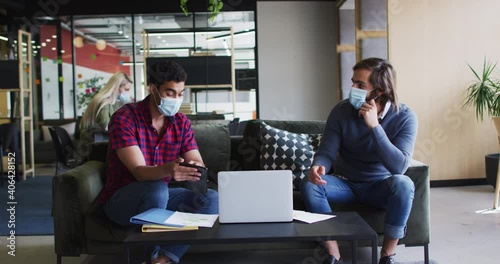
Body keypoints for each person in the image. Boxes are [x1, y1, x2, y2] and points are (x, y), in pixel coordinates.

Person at [97, 59, 218, 264]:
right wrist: (169, 170)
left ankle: (163, 259)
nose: (176, 99)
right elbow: (139, 172)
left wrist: (195, 168)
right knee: (156, 190)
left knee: (211, 199)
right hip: (122, 199)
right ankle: (147, 256)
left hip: (161, 196)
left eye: (180, 94)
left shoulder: (181, 122)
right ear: (152, 89)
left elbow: (196, 159)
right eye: (170, 93)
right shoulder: (124, 118)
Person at [300, 57, 418, 264]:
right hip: (345, 183)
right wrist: (319, 166)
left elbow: (399, 166)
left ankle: (387, 256)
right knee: (310, 184)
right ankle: (333, 255)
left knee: (404, 184)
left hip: (379, 186)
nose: (353, 88)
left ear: (379, 91)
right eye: (353, 82)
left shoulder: (405, 117)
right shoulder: (341, 111)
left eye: (360, 85)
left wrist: (375, 127)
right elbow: (327, 152)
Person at [79, 71, 133, 150]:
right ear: (117, 87)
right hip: (95, 148)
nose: (128, 93)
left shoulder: (104, 100)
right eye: (126, 89)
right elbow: (106, 127)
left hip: (94, 145)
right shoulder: (104, 103)